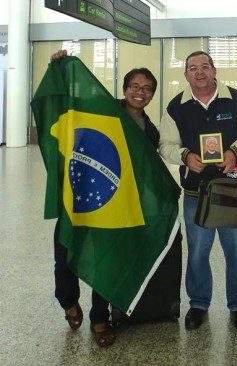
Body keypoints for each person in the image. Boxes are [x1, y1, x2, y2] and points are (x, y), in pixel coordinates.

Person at [50, 50, 160, 347]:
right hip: (81, 199)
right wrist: (60, 68)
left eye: (147, 89)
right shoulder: (102, 109)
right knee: (65, 253)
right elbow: (69, 100)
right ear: (125, 89)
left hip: (115, 209)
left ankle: (100, 318)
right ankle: (68, 301)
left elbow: (148, 175)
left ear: (151, 96)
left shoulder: (150, 132)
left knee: (107, 262)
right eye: (135, 86)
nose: (140, 92)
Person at [159, 51, 237, 332]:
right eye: (193, 68)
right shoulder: (176, 107)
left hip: (232, 191)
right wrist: (184, 156)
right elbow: (165, 144)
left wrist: (235, 151)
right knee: (197, 253)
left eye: (205, 66)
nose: (199, 72)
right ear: (186, 75)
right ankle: (199, 304)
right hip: (196, 193)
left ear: (214, 70)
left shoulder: (236, 100)